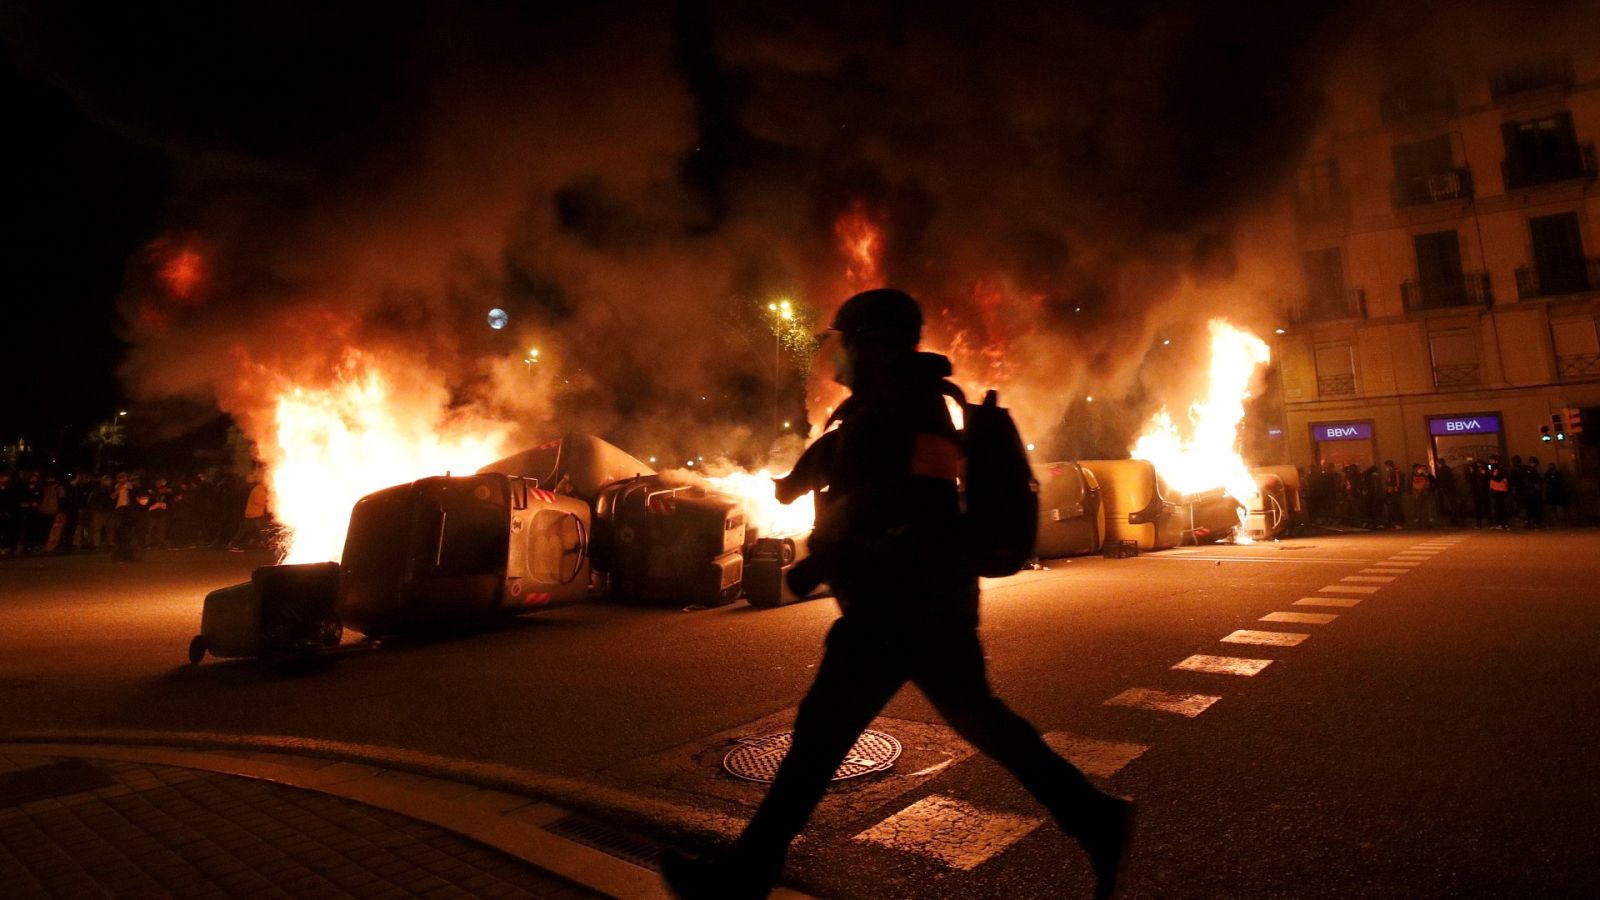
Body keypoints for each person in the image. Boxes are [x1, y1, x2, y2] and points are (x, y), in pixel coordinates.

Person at [660, 290, 1134, 900]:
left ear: (875, 341)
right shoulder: (884, 404)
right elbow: (850, 459)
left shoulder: (914, 403)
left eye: (850, 340)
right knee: (972, 724)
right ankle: (1097, 819)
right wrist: (800, 484)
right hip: (916, 604)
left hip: (905, 604)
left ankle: (739, 883)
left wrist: (824, 554)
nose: (841, 354)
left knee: (818, 741)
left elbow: (924, 495)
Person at [228, 473, 270, 551]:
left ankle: (232, 544)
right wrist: (268, 501)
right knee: (260, 529)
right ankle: (267, 543)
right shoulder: (259, 489)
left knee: (246, 530)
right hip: (254, 514)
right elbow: (258, 501)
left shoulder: (259, 489)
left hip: (252, 514)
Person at [1486, 456, 1510, 529]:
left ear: (1496, 461)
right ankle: (1501, 523)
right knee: (1498, 507)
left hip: (1500, 491)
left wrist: (1490, 474)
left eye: (1492, 461)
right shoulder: (1495, 469)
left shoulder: (1500, 469)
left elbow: (1498, 478)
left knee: (1500, 507)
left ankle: (1503, 523)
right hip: (1495, 490)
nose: (1490, 462)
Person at [1520, 457, 1544, 529]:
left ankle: (1532, 522)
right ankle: (1532, 522)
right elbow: (1529, 482)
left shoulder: (1532, 471)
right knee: (1532, 508)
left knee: (1533, 508)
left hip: (1533, 493)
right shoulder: (1529, 471)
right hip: (1531, 493)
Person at [1382, 460, 1404, 529]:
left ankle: (1398, 523)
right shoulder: (1392, 473)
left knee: (1395, 508)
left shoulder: (1394, 472)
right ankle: (1394, 523)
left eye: (1386, 466)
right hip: (1391, 492)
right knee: (1392, 508)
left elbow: (1396, 483)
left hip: (1394, 493)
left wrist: (1389, 485)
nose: (1386, 468)